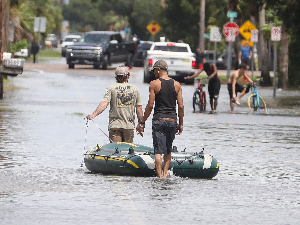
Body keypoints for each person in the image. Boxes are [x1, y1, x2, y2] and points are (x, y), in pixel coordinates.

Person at [136, 60, 184, 179]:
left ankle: (159, 177)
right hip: (172, 120)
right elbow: (181, 106)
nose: (154, 74)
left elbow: (150, 105)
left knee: (158, 151)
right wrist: (181, 123)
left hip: (159, 119)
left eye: (154, 71)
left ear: (158, 70)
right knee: (168, 150)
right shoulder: (177, 85)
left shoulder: (154, 84)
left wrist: (142, 121)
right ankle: (165, 174)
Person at [86, 66, 143, 143]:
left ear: (116, 77)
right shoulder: (135, 89)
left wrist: (94, 114)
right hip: (129, 127)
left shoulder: (111, 88)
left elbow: (104, 103)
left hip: (115, 126)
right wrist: (140, 124)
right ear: (127, 76)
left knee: (116, 151)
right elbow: (139, 109)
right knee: (127, 152)